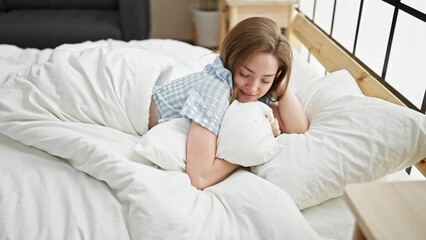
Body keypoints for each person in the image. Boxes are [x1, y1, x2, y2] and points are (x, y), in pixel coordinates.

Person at [148, 17, 309, 190]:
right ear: (231, 62)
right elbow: (199, 177)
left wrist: (278, 83)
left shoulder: (249, 92)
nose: (253, 87)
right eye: (245, 74)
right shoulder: (216, 91)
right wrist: (250, 147)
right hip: (134, 105)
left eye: (265, 80)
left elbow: (297, 128)